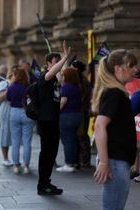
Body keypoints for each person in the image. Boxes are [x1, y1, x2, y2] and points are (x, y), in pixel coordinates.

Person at [92, 49, 138, 210]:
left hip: (118, 161)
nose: (135, 70)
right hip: (115, 162)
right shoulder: (114, 93)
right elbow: (99, 125)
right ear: (118, 68)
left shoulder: (117, 92)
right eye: (131, 66)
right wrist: (104, 162)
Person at [37, 40, 71, 196]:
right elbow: (53, 72)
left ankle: (46, 182)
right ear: (48, 63)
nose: (59, 65)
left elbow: (62, 75)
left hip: (53, 120)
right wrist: (64, 59)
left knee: (52, 153)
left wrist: (65, 59)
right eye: (55, 62)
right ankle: (42, 185)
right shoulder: (44, 76)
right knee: (46, 153)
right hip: (46, 121)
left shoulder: (57, 80)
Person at [7, 68, 35, 174]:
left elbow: (9, 100)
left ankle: (16, 166)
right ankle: (26, 166)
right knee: (27, 141)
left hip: (14, 112)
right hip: (26, 113)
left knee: (15, 142)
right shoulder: (29, 87)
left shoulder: (12, 87)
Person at [57, 67, 82, 172]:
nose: (62, 77)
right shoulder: (77, 86)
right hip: (76, 115)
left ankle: (69, 163)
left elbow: (62, 102)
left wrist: (55, 111)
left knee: (67, 140)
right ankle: (75, 161)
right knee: (73, 139)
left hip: (67, 116)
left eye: (63, 75)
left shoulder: (66, 87)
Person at [71, 60, 92, 167]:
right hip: (83, 110)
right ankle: (83, 158)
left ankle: (83, 158)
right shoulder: (82, 79)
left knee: (81, 135)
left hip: (81, 111)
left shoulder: (80, 81)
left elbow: (84, 97)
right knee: (81, 135)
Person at [0, 65, 13, 167]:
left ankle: (15, 158)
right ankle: (5, 158)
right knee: (5, 133)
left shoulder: (21, 83)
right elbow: (1, 97)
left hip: (16, 109)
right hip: (6, 109)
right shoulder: (4, 83)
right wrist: (10, 88)